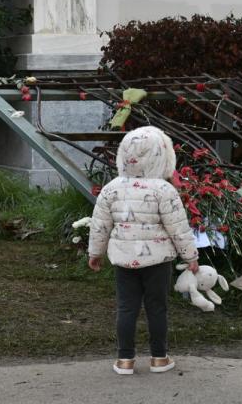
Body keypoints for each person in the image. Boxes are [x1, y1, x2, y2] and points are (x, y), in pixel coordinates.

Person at [87, 126, 198, 375]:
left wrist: (95, 253)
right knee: (156, 307)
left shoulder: (111, 188)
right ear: (163, 156)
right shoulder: (164, 190)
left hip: (123, 260)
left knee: (127, 308)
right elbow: (177, 227)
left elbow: (100, 224)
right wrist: (190, 256)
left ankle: (124, 360)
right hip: (157, 261)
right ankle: (159, 358)